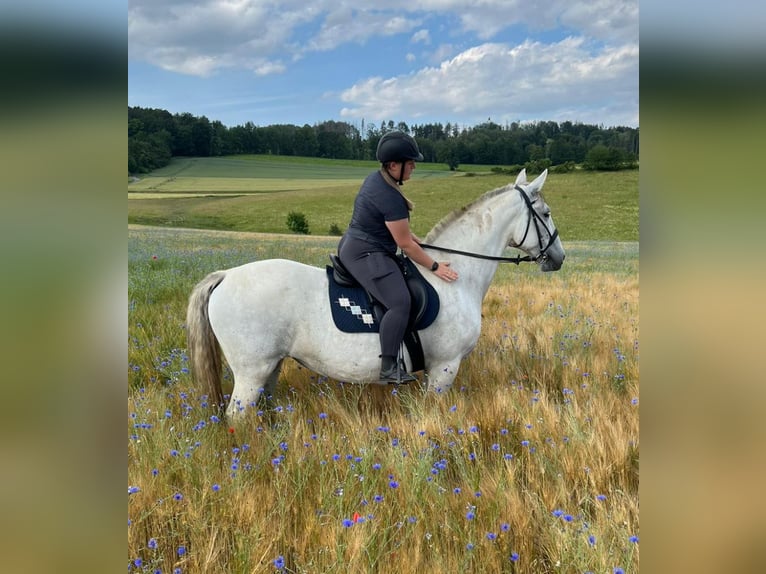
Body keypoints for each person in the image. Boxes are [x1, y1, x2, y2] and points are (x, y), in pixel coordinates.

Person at [337, 131, 459, 383]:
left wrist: (412, 237)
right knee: (400, 301)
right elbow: (405, 245)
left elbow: (395, 229)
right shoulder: (390, 196)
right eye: (410, 162)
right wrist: (435, 267)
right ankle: (389, 366)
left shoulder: (378, 180)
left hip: (358, 244)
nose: (414, 166)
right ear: (394, 165)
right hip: (366, 252)